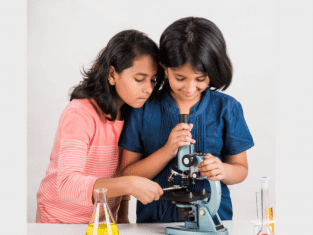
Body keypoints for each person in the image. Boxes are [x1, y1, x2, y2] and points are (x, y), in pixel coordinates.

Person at [118, 17, 254, 223]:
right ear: (164, 67)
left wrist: (222, 170)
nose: (190, 88)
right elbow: (126, 173)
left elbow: (241, 170)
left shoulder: (227, 108)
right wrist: (167, 151)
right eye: (180, 78)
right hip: (155, 222)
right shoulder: (143, 108)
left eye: (200, 79)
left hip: (215, 219)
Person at [36, 29, 164, 224]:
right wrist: (129, 184)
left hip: (102, 222)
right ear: (112, 74)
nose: (148, 88)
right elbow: (67, 185)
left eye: (153, 80)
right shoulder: (80, 113)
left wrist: (122, 216)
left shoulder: (133, 112)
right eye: (139, 79)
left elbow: (123, 170)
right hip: (60, 221)